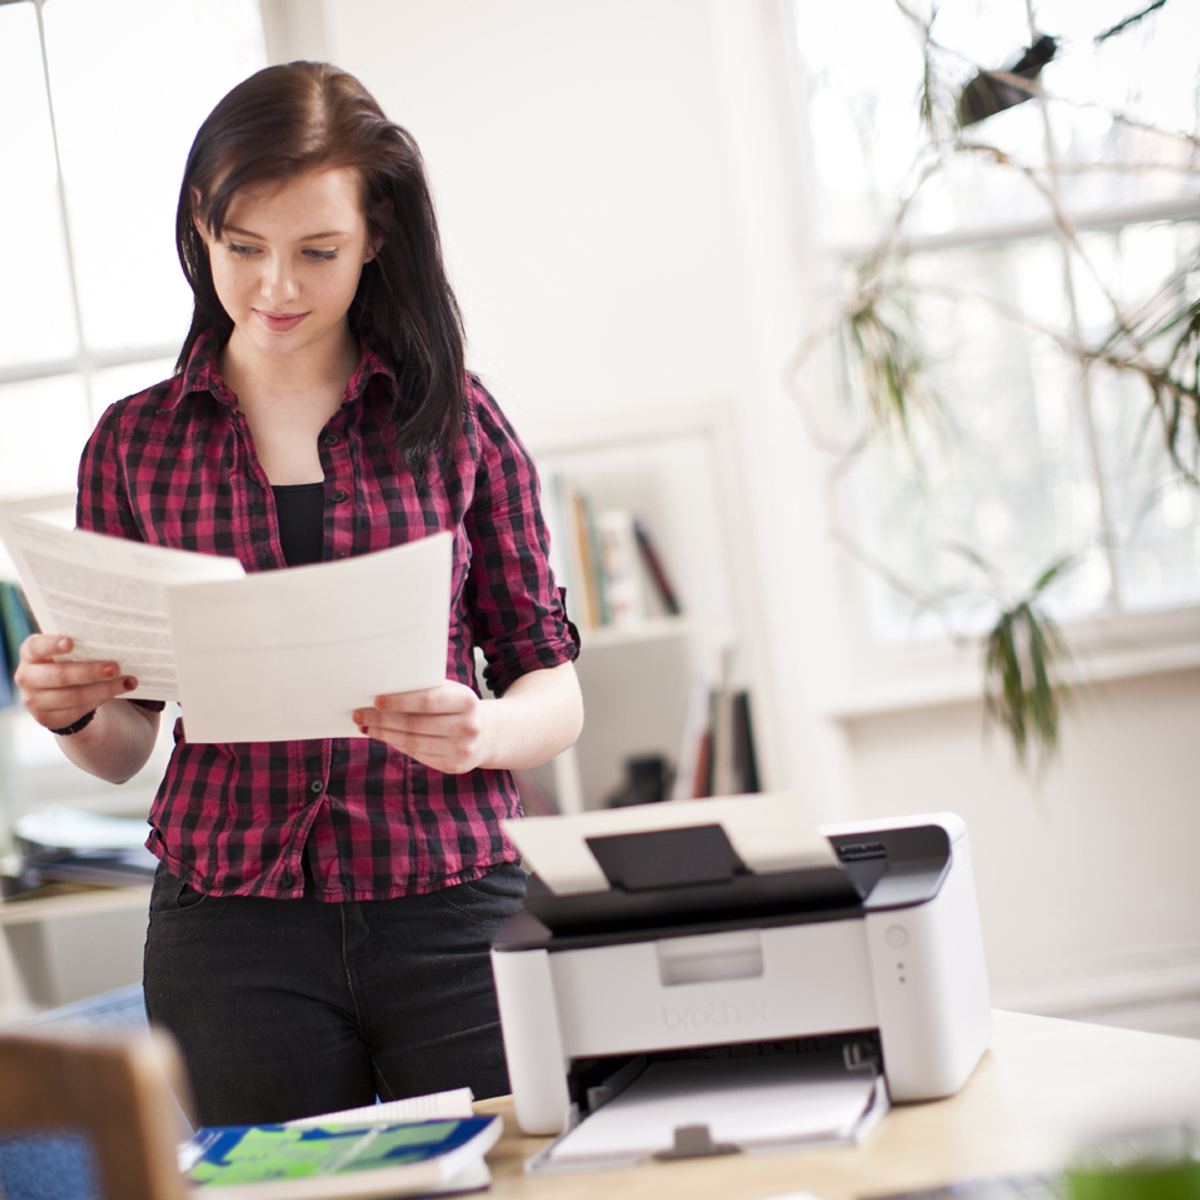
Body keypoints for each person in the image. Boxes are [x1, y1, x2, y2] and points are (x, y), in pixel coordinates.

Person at [13, 61, 583, 1127]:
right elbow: (129, 745)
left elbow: (553, 687)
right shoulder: (135, 446)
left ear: (377, 238)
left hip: (453, 900)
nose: (276, 287)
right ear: (200, 228)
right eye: (243, 249)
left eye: (317, 251)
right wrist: (77, 710)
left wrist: (486, 730)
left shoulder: (454, 419)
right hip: (231, 930)